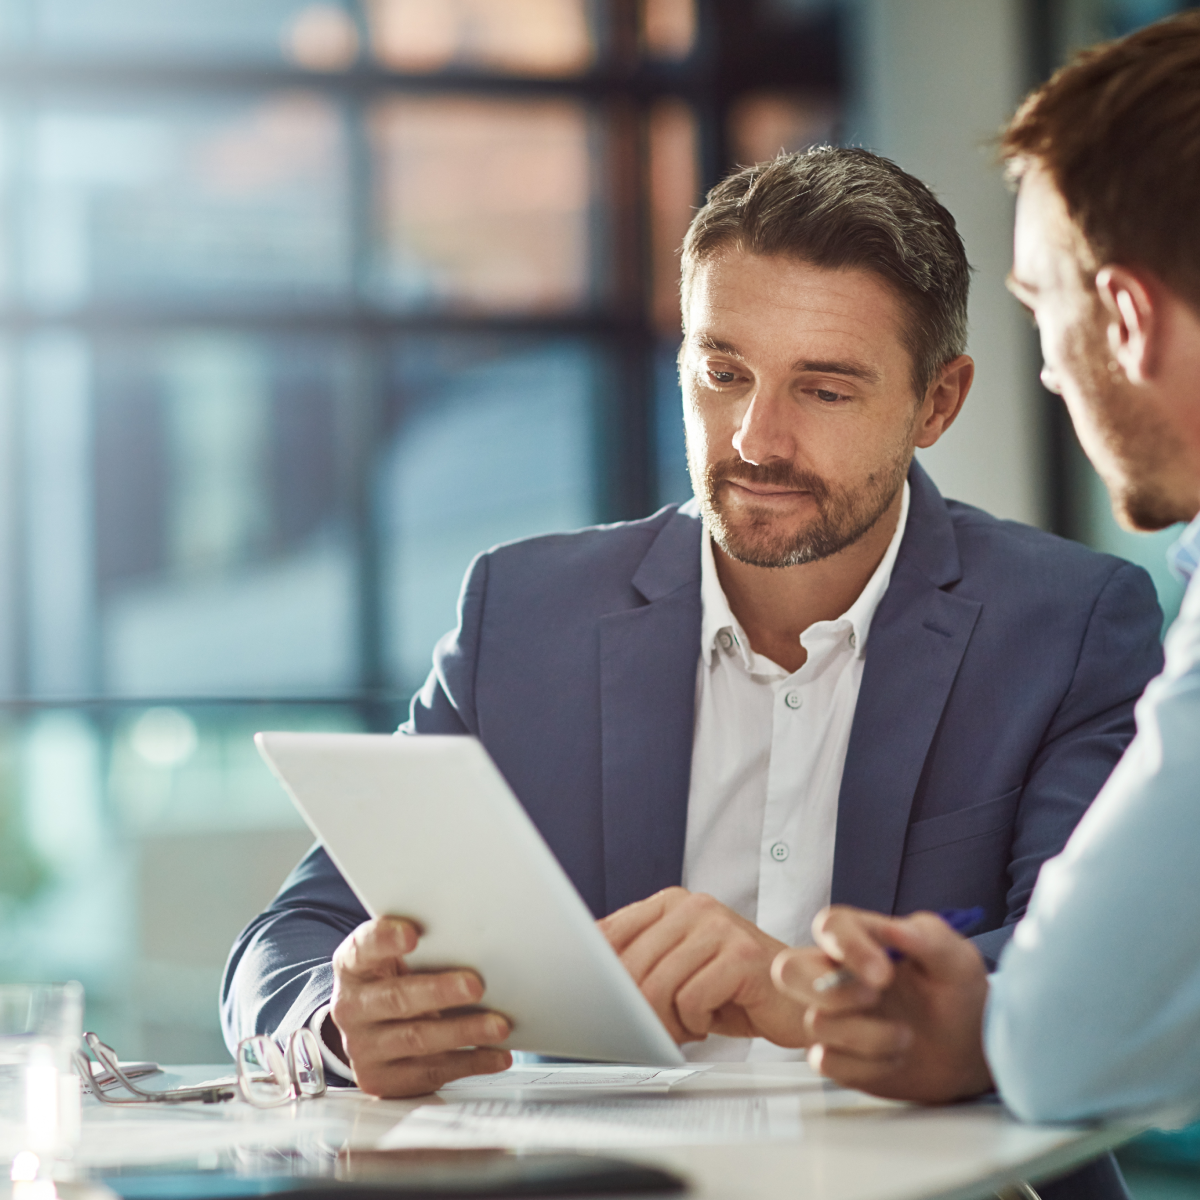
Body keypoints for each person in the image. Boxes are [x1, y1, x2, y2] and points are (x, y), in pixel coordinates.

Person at [222, 149, 1161, 1136]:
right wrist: (337, 1024)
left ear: (938, 401)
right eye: (723, 373)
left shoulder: (1073, 623)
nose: (757, 438)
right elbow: (292, 938)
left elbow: (1095, 973)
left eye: (824, 390)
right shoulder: (524, 613)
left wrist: (799, 992)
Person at [774, 9, 1200, 1129]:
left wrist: (976, 1017)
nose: (1054, 377)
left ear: (1124, 315)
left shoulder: (1080, 617)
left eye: (1041, 312)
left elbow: (1071, 1036)